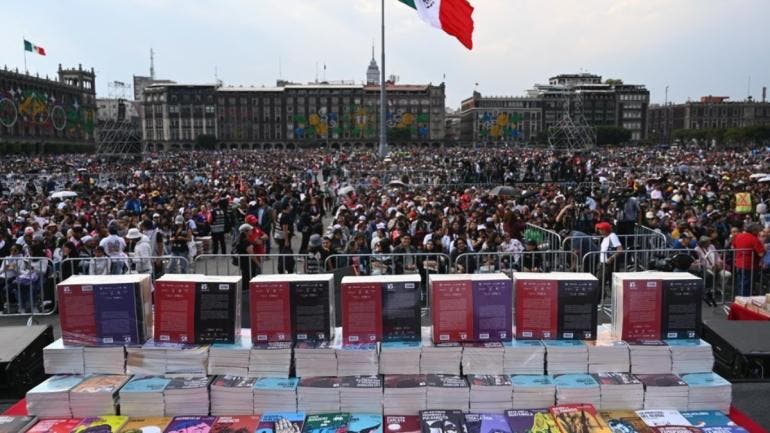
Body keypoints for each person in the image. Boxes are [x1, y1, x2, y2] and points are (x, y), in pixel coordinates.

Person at [731, 223, 765, 297]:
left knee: (740, 283)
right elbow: (761, 254)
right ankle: (743, 302)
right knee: (746, 285)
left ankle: (739, 299)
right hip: (749, 265)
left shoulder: (738, 236)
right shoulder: (754, 239)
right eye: (758, 230)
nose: (759, 232)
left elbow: (734, 246)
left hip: (738, 263)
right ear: (754, 231)